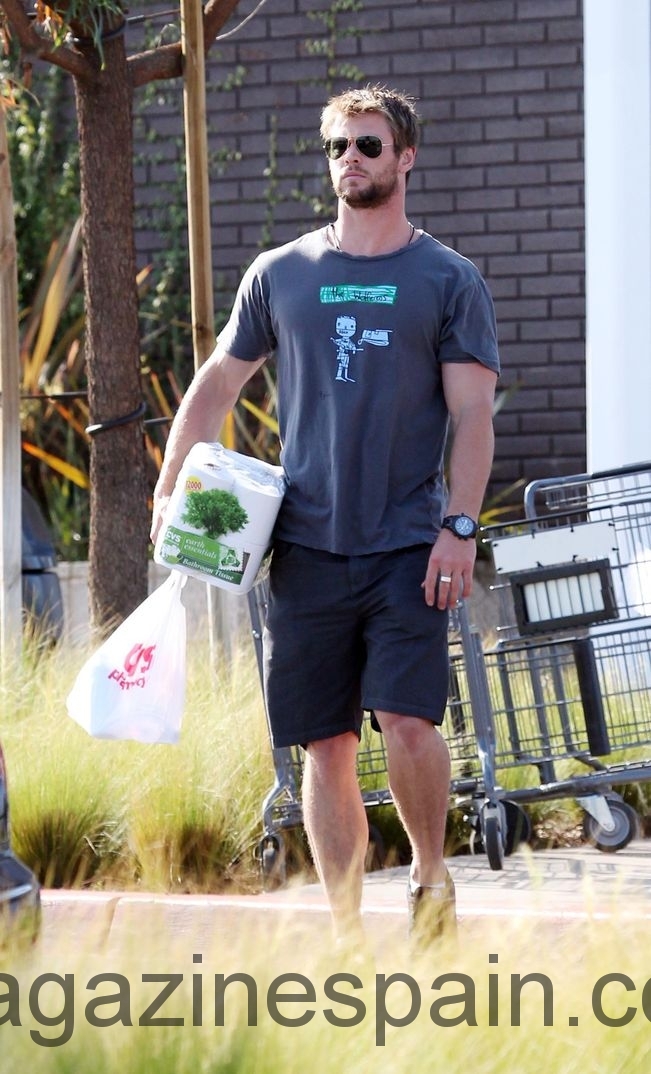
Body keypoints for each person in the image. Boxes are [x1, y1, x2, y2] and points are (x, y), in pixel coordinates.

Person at [150, 84, 500, 952]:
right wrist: (168, 490)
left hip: (407, 545)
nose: (351, 158)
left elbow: (473, 415)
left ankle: (428, 875)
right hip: (304, 548)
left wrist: (458, 527)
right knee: (325, 746)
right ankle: (345, 933)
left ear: (405, 157)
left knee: (408, 722)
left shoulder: (447, 279)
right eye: (339, 146)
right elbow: (216, 385)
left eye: (368, 145)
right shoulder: (281, 273)